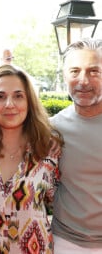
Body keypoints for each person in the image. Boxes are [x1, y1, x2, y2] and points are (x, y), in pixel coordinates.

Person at [0, 64, 63, 253]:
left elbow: (60, 205)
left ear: (29, 102)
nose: (9, 104)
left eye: (18, 96)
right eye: (0, 96)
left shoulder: (48, 150)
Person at [50, 38, 102, 253]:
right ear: (64, 76)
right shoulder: (53, 129)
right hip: (65, 242)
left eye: (94, 71)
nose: (83, 81)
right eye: (74, 71)